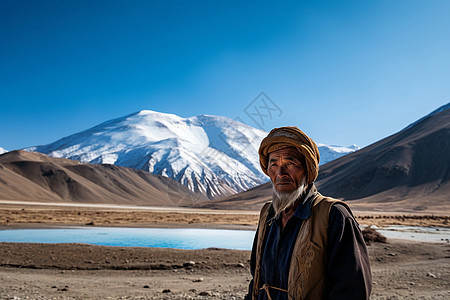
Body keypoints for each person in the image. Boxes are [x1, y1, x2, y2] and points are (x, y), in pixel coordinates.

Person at [245, 126, 372, 300]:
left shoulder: (333, 215)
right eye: (273, 164)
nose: (281, 173)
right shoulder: (267, 214)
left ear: (307, 168)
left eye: (290, 163)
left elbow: (351, 290)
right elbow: (257, 277)